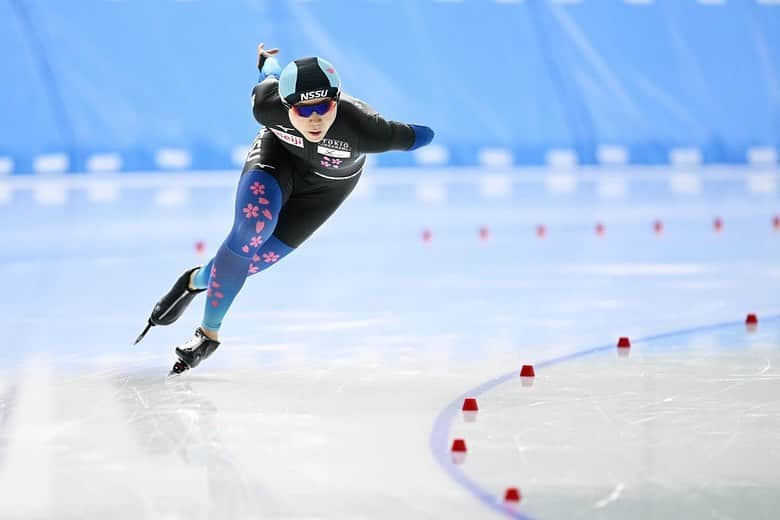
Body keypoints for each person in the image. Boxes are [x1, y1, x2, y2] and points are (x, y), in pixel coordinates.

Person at [135, 43, 435, 375]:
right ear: (286, 105)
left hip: (325, 190)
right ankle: (207, 335)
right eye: (303, 110)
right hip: (277, 159)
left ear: (337, 100)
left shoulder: (367, 130)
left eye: (324, 106)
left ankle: (193, 281)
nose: (316, 118)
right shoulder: (267, 105)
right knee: (252, 230)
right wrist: (267, 59)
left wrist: (427, 131)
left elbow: (420, 136)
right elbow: (270, 75)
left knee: (248, 264)